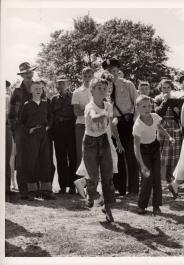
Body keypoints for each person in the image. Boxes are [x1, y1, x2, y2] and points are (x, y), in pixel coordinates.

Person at [102, 58, 139, 196]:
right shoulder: (104, 86)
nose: (113, 72)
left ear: (118, 70)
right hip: (113, 123)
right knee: (117, 156)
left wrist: (135, 122)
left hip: (128, 122)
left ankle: (134, 188)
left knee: (131, 155)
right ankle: (120, 188)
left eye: (114, 69)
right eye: (109, 70)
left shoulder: (128, 84)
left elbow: (137, 103)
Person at [133, 95, 175, 215]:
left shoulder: (155, 116)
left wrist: (169, 137)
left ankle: (156, 206)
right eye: (144, 106)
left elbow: (159, 128)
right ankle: (142, 206)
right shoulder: (137, 126)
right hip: (143, 150)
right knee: (147, 178)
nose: (147, 108)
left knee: (157, 177)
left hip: (154, 147)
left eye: (149, 106)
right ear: (137, 108)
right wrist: (142, 165)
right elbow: (136, 147)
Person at [83, 78, 116, 223]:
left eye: (105, 88)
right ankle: (90, 193)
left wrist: (114, 121)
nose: (102, 90)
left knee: (107, 176)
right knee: (93, 176)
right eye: (99, 88)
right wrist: (104, 114)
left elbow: (111, 122)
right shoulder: (89, 106)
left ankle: (107, 207)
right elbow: (94, 118)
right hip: (90, 142)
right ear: (92, 90)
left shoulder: (108, 105)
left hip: (103, 141)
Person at [20, 80, 56, 200]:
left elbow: (51, 117)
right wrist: (28, 130)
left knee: (46, 161)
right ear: (31, 91)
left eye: (40, 88)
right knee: (32, 162)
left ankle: (46, 190)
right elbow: (21, 121)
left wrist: (48, 126)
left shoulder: (46, 103)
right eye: (35, 88)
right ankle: (32, 191)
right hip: (32, 135)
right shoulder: (27, 105)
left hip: (44, 134)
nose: (38, 90)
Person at [8, 62, 36, 200]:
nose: (28, 74)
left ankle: (35, 189)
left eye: (30, 71)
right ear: (22, 75)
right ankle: (24, 190)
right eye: (25, 73)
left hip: (37, 128)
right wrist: (14, 131)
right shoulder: (16, 90)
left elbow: (45, 106)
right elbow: (11, 114)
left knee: (35, 158)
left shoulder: (39, 86)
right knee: (21, 160)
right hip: (20, 128)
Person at [51, 76, 77, 194]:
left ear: (68, 85)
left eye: (62, 83)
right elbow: (51, 117)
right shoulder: (53, 100)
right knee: (60, 158)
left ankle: (72, 185)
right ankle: (62, 186)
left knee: (72, 157)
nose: (60, 86)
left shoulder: (73, 97)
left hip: (71, 129)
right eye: (58, 84)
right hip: (58, 131)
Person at [154, 79, 182, 184]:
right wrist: (165, 101)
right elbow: (158, 113)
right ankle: (163, 178)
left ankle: (172, 177)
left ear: (171, 88)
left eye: (168, 87)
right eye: (163, 88)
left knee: (174, 153)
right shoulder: (157, 98)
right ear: (160, 89)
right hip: (162, 126)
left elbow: (180, 115)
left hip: (174, 127)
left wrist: (178, 111)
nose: (166, 90)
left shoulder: (176, 99)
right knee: (163, 153)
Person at [72, 67, 94, 167]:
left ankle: (93, 182)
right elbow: (76, 112)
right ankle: (81, 182)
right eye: (85, 76)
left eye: (90, 76)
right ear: (82, 77)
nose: (87, 78)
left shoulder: (97, 90)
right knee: (81, 155)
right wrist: (89, 108)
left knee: (94, 155)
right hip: (81, 125)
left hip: (95, 125)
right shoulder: (77, 92)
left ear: (93, 77)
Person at [6, 80, 14, 198]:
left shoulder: (7, 97)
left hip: (6, 127)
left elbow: (10, 114)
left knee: (7, 157)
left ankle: (6, 187)